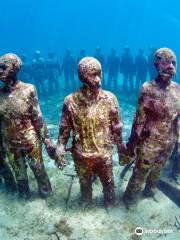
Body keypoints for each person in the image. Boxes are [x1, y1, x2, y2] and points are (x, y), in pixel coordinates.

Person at [55, 57, 126, 206]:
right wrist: (60, 148)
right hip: (81, 154)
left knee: (108, 183)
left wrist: (121, 149)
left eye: (100, 74)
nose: (98, 79)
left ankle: (110, 203)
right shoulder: (71, 101)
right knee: (84, 183)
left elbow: (117, 127)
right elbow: (64, 128)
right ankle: (86, 201)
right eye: (93, 74)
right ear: (82, 76)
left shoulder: (110, 99)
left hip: (104, 154)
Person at [122, 48, 180, 207]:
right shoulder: (148, 88)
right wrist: (132, 144)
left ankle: (150, 191)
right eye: (166, 62)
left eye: (173, 62)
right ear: (157, 64)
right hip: (149, 142)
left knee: (158, 169)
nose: (170, 67)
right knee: (140, 172)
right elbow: (139, 120)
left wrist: (178, 140)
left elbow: (177, 118)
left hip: (169, 141)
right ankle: (130, 198)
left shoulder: (178, 89)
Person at [0, 53, 54, 198]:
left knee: (39, 170)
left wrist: (47, 140)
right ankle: (24, 197)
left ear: (15, 68)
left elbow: (37, 118)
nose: (0, 71)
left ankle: (46, 196)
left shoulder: (28, 89)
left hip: (30, 142)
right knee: (20, 175)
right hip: (10, 144)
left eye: (3, 67)